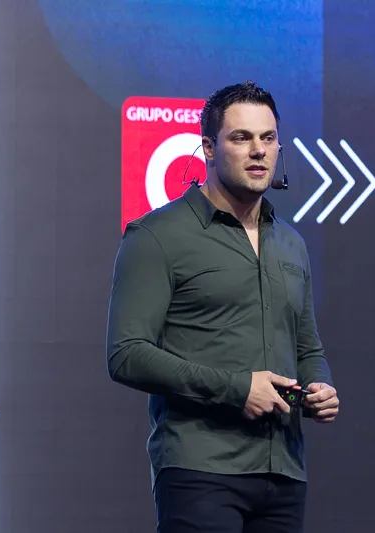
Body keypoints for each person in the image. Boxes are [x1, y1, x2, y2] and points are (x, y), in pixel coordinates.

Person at [105, 80, 339, 533]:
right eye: (241, 137)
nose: (259, 150)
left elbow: (307, 348)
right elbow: (126, 354)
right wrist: (237, 389)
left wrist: (319, 386)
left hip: (284, 473)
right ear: (209, 148)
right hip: (200, 470)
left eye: (268, 138)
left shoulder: (291, 243)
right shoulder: (157, 235)